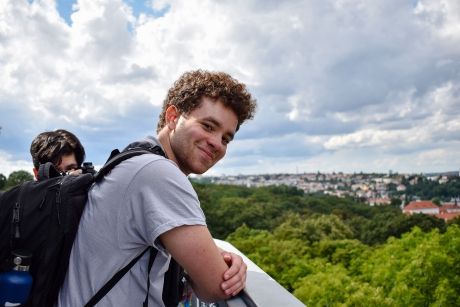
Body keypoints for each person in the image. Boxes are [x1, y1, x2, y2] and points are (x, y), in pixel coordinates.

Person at [57, 70, 257, 306]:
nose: (216, 143)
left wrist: (215, 255)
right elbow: (216, 287)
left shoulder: (135, 155)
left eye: (226, 138)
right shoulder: (158, 174)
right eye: (208, 126)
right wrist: (223, 265)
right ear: (172, 116)